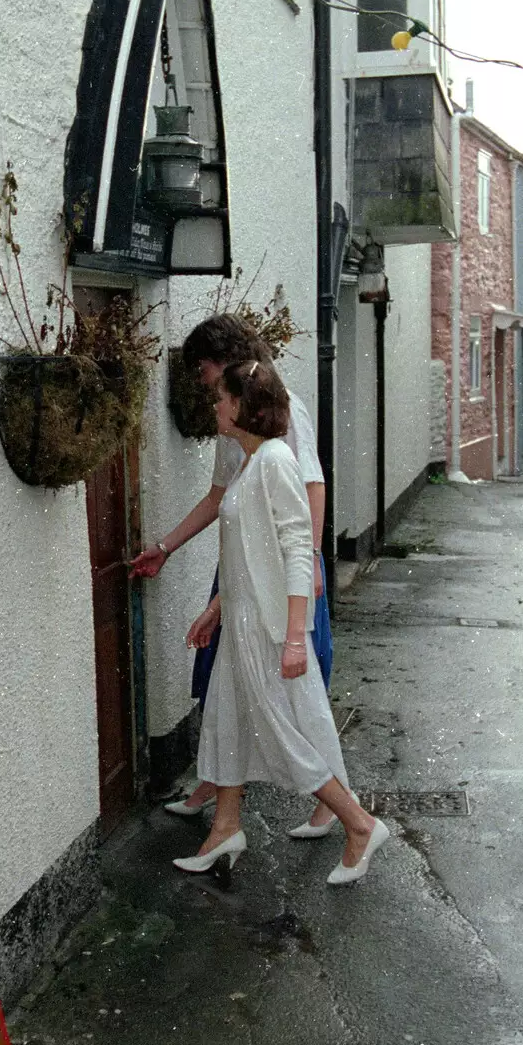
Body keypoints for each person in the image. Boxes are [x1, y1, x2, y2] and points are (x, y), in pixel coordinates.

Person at [170, 358, 388, 886]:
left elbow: (296, 549)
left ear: (242, 405)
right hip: (242, 622)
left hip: (269, 630)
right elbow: (245, 554)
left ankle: (360, 824)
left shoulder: (272, 462)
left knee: (283, 735)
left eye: (221, 397)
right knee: (227, 723)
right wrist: (216, 608)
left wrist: (295, 638)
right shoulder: (248, 464)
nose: (215, 405)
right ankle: (224, 828)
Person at [129, 315, 335, 838]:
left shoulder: (280, 414)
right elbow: (221, 498)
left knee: (296, 688)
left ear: (223, 363)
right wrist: (165, 548)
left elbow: (311, 485)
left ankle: (337, 805)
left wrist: (308, 560)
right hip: (242, 566)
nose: (200, 384)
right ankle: (221, 798)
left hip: (283, 567)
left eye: (202, 369)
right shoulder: (233, 424)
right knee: (226, 684)